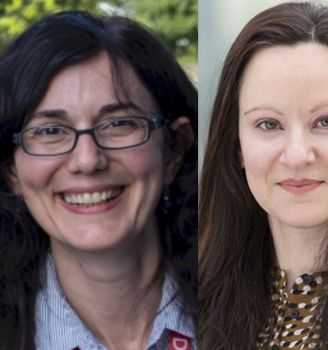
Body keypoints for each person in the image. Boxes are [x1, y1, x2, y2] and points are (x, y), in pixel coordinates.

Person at [198, 2, 328, 350]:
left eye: (326, 122)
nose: (297, 155)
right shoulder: (195, 302)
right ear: (236, 146)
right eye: (268, 124)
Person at [0, 11, 198, 349]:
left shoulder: (258, 316)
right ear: (12, 171)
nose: (88, 160)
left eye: (118, 124)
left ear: (174, 149)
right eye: (50, 131)